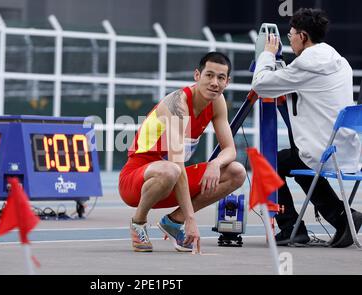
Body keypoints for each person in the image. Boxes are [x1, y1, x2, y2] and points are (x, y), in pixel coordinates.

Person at [252, 8, 362, 247]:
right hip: (345, 151)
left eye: (291, 34)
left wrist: (268, 55)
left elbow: (261, 85)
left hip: (322, 152)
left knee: (268, 162)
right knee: (295, 160)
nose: (288, 39)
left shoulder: (307, 64)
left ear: (303, 36)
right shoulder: (338, 60)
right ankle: (342, 217)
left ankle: (291, 226)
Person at [118, 52, 246, 252]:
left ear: (227, 82)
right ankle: (138, 222)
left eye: (221, 78)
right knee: (171, 170)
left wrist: (215, 164)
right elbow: (177, 164)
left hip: (172, 180)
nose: (214, 82)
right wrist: (191, 220)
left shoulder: (217, 102)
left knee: (236, 172)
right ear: (197, 75)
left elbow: (229, 149)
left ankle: (173, 222)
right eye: (209, 75)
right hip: (136, 182)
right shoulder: (176, 103)